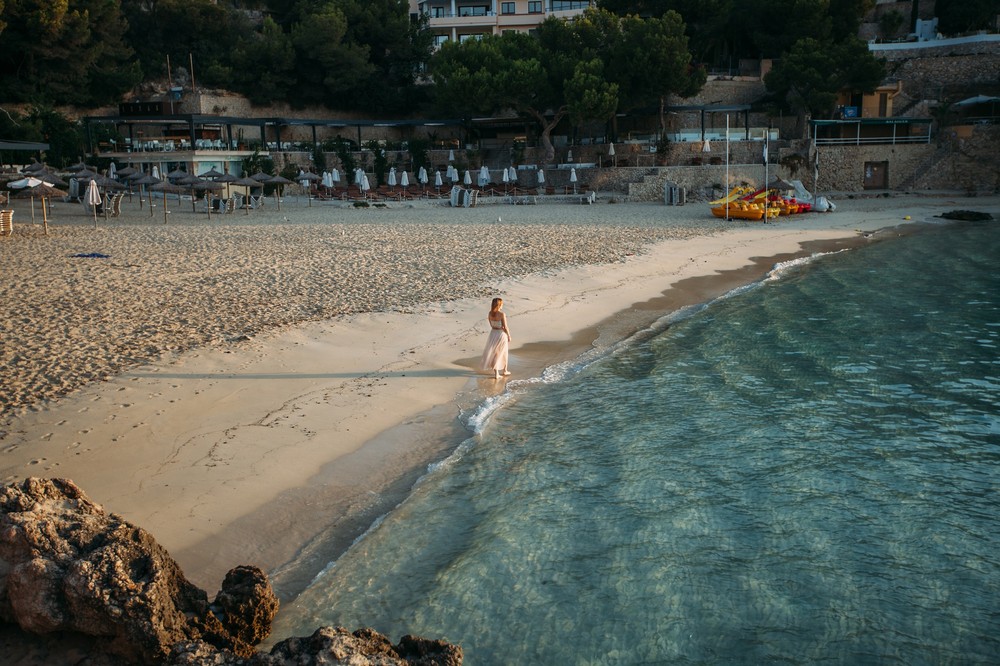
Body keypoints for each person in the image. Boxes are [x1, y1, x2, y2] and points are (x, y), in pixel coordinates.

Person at [481, 297, 511, 379]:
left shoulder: (490, 313)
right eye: (502, 304)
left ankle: (497, 373)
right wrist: (509, 335)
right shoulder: (502, 314)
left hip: (493, 333)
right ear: (499, 305)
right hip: (501, 334)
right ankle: (505, 370)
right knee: (504, 352)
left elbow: (491, 325)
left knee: (495, 353)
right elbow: (505, 327)